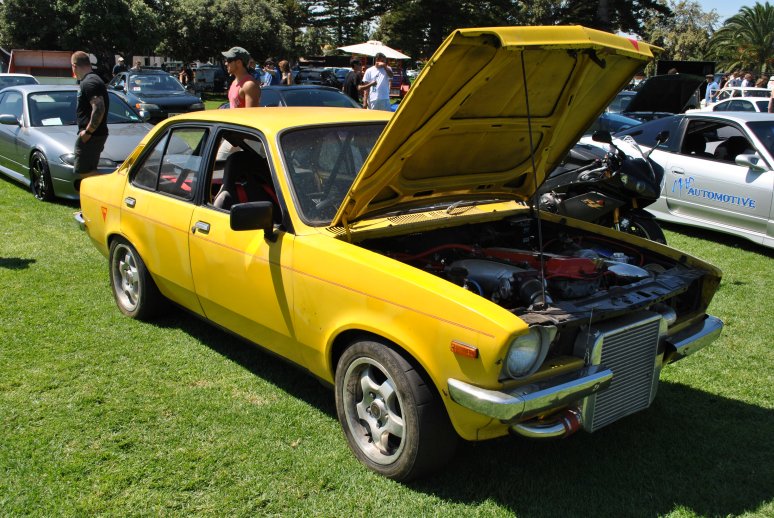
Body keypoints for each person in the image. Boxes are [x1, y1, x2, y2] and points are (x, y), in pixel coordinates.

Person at [71, 51, 109, 176]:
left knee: (85, 173)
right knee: (88, 172)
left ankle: (110, 191)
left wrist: (88, 132)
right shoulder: (90, 80)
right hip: (94, 135)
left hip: (91, 136)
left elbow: (99, 108)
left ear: (74, 66)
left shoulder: (90, 82)